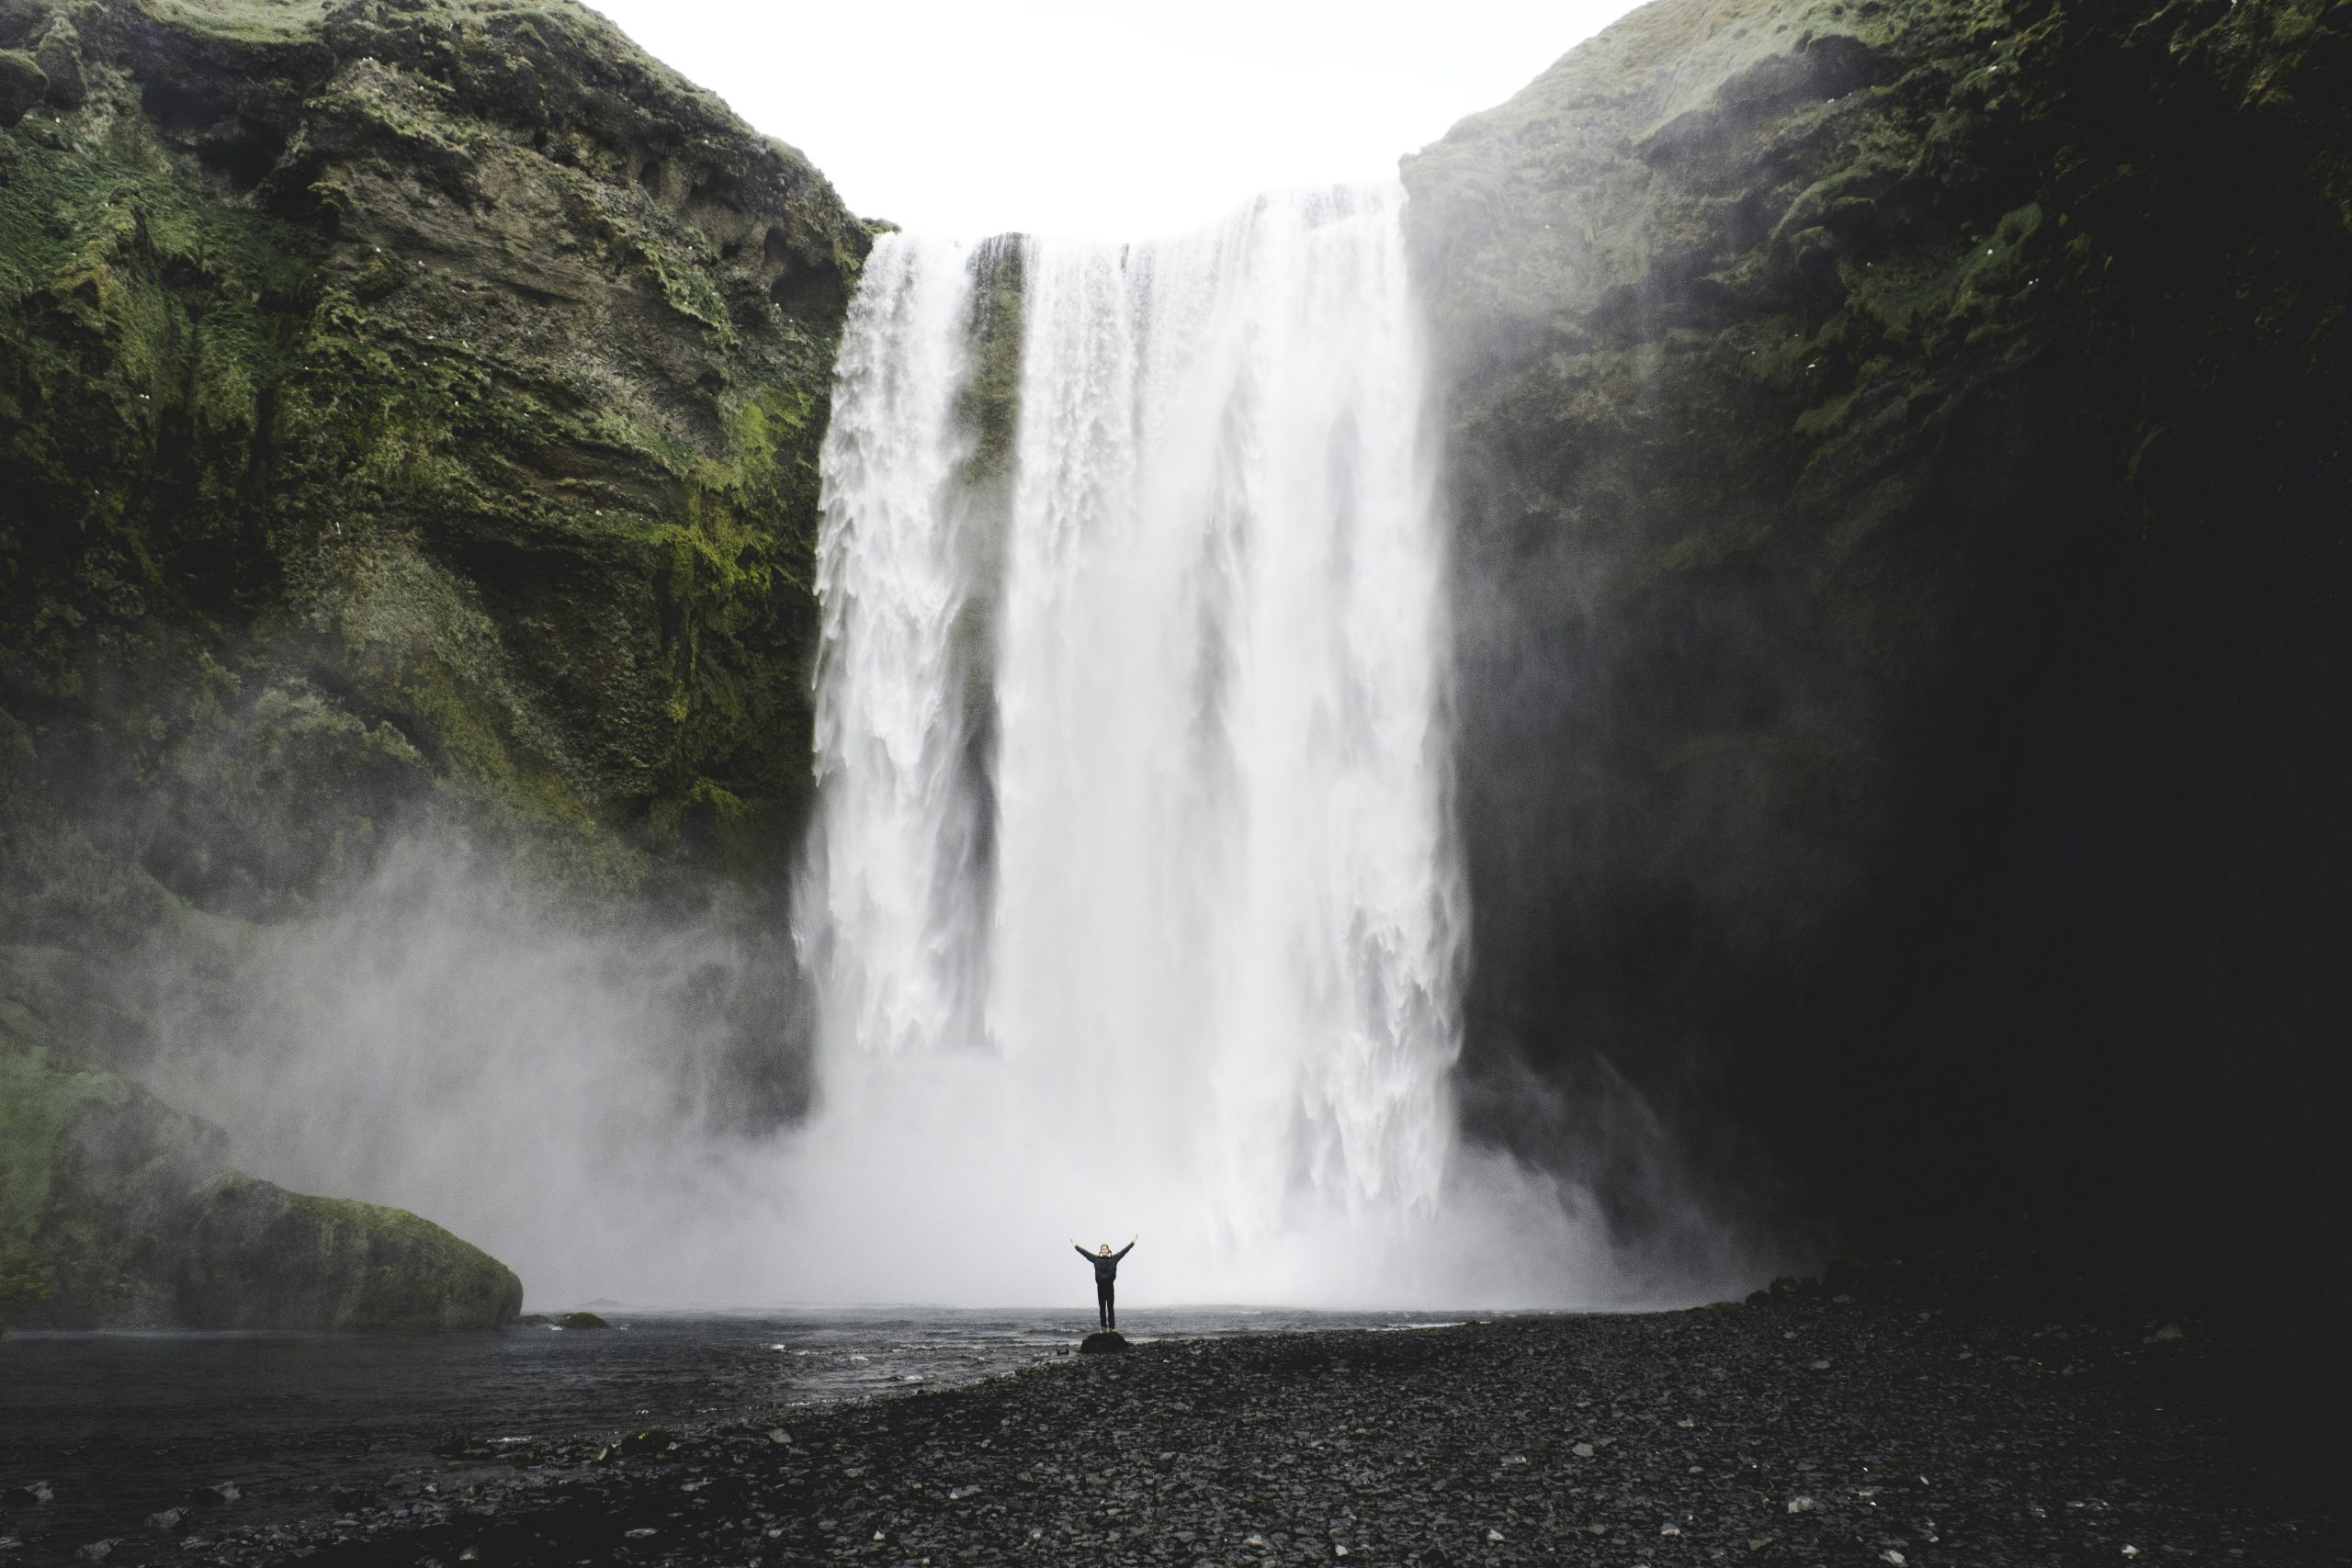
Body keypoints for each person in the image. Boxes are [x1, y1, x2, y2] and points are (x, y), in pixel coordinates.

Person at [1070, 1235, 1136, 1329]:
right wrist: (1076, 1246)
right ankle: (1103, 1328)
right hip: (1100, 1287)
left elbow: (1124, 1252)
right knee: (1102, 1309)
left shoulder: (1114, 1258)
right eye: (1103, 1249)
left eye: (1106, 1249)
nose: (1104, 1250)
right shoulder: (1096, 1259)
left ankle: (1112, 1328)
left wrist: (1132, 1243)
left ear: (1108, 1250)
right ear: (1101, 1251)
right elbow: (1085, 1253)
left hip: (1110, 1287)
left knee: (1110, 1308)